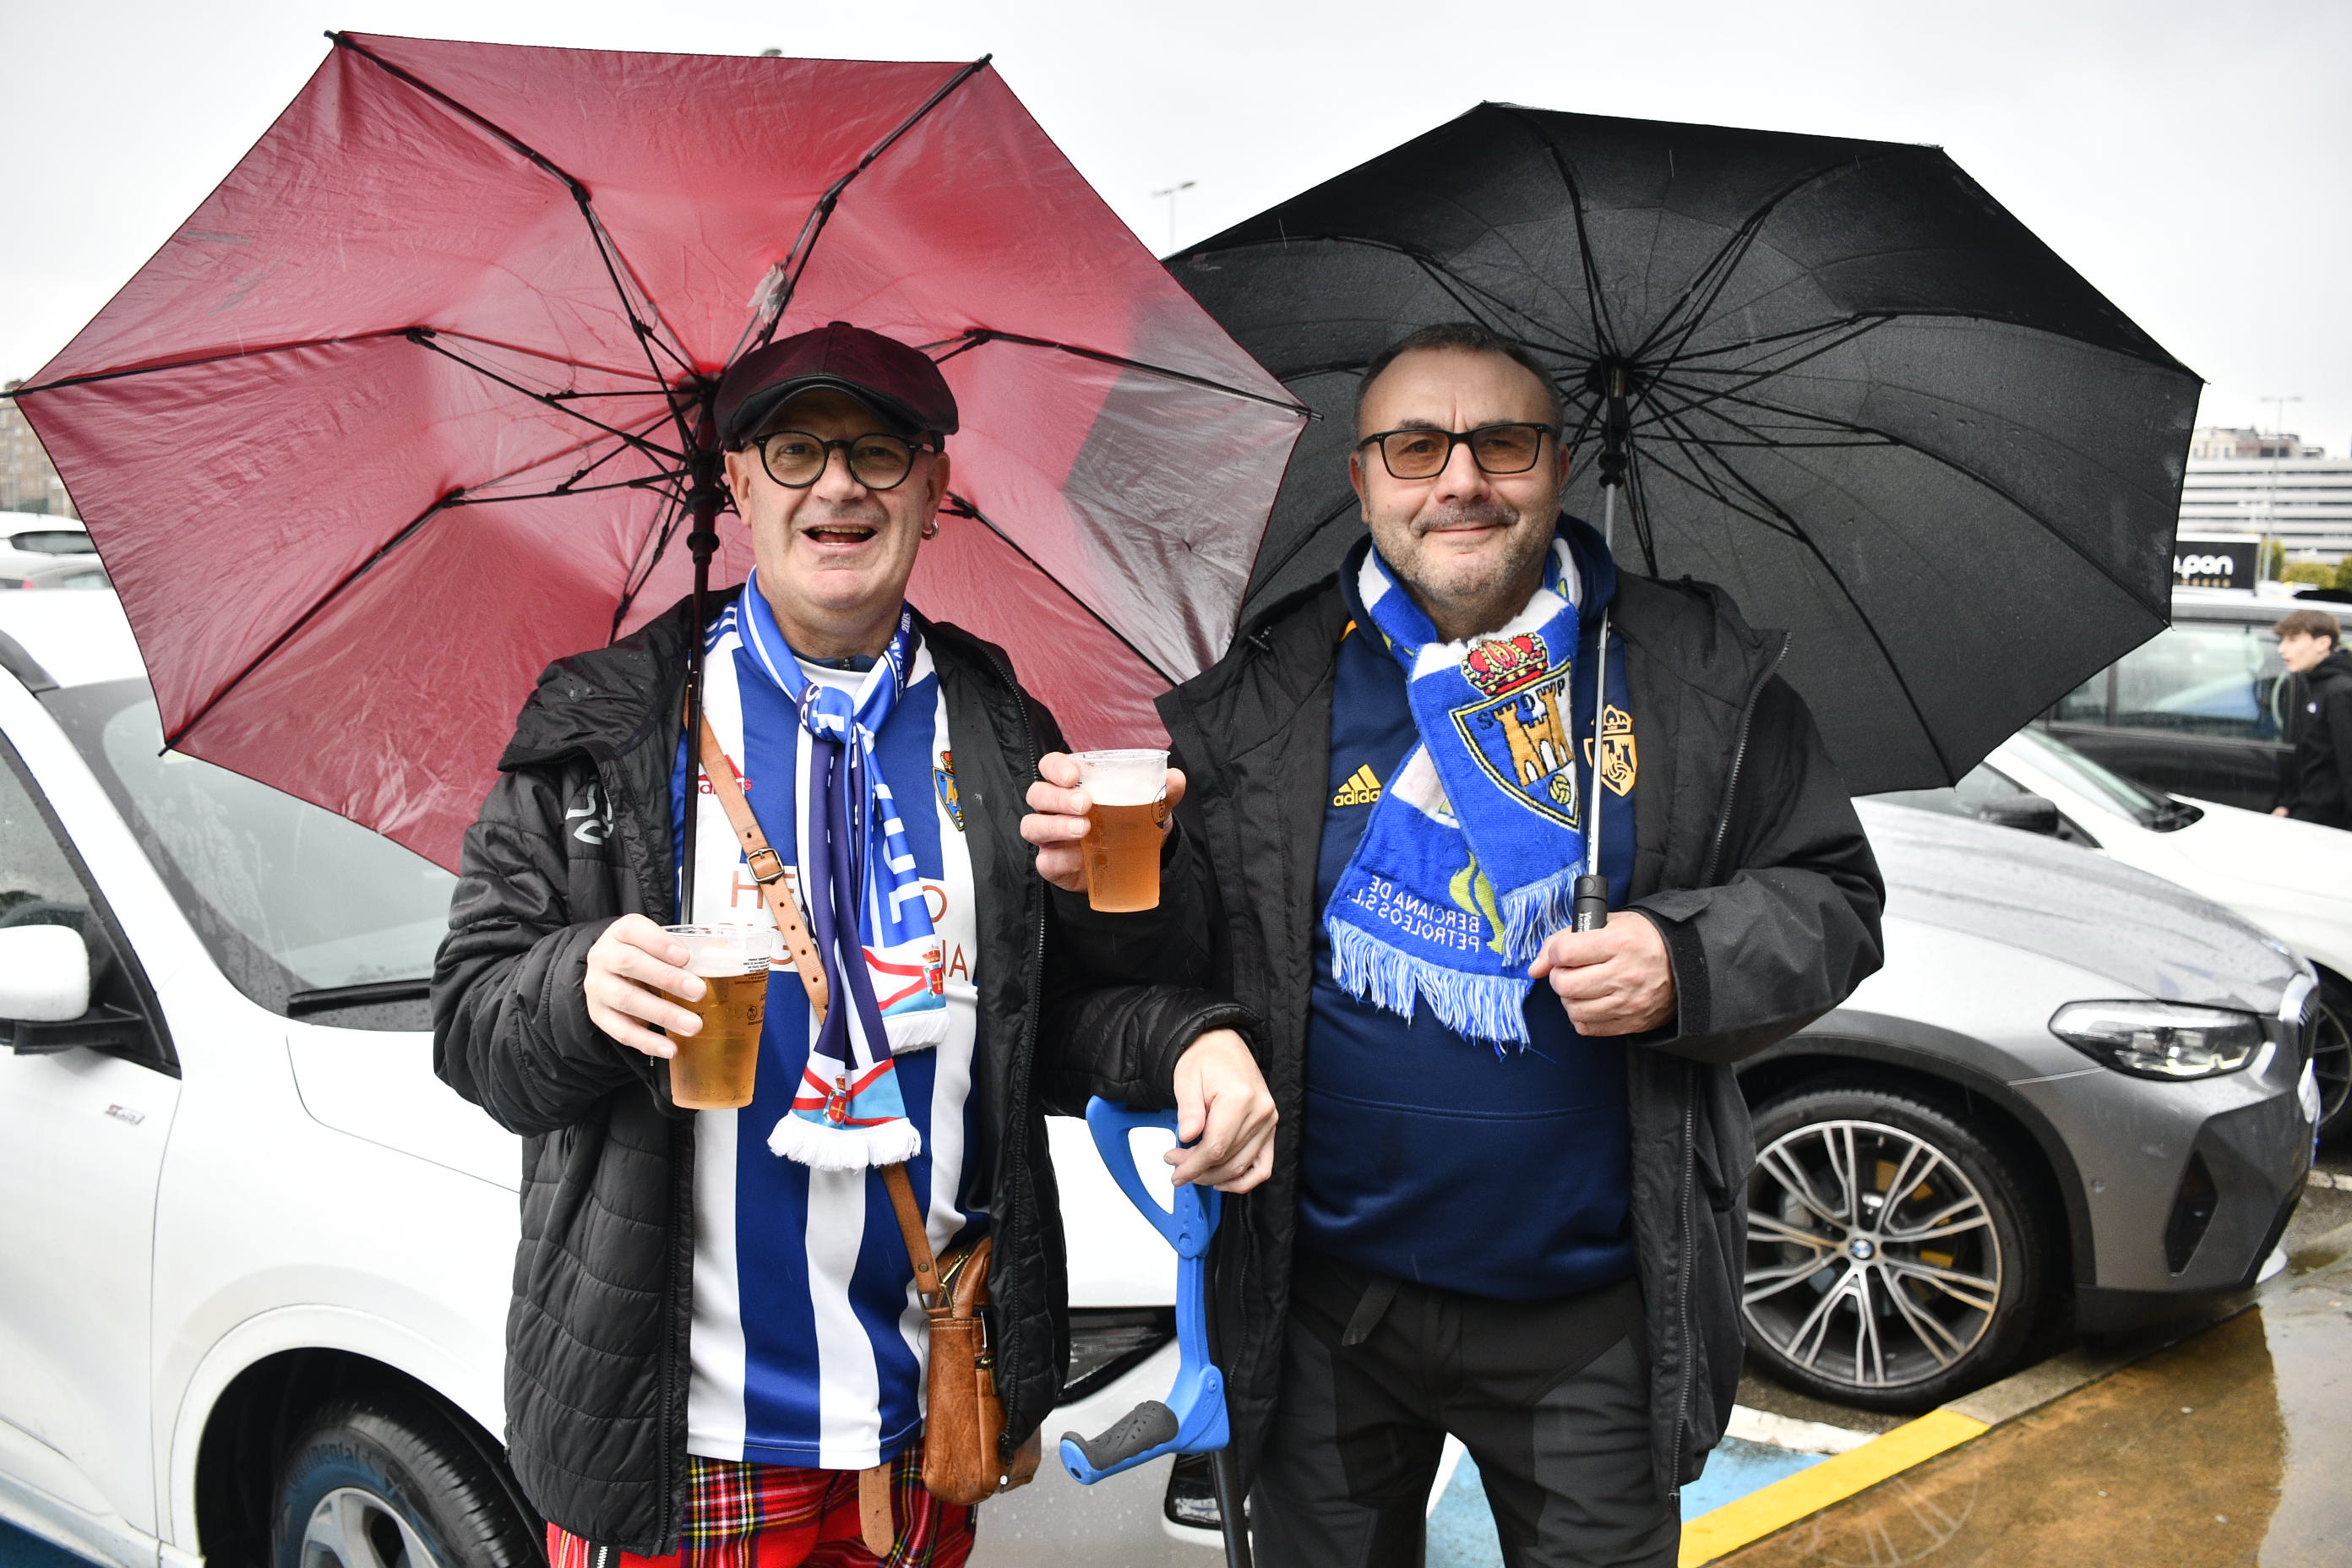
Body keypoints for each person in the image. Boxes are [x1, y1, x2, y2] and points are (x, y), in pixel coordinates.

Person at [1024, 321, 1885, 1565]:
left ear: (1561, 463)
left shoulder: (1692, 672)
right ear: (1364, 479)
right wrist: (1122, 889)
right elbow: (1145, 984)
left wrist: (1682, 958)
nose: (1462, 479)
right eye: (1417, 447)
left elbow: (1833, 901)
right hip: (1324, 1310)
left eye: (1504, 443)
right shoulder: (1260, 698)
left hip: (1592, 1319)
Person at [433, 320, 1272, 1567]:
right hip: (689, 1436)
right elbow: (473, 1025)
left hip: (928, 1398)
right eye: (793, 451)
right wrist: (578, 983)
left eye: (878, 455)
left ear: (934, 492)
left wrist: (1197, 1038)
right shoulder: (609, 726)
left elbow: (1044, 1024)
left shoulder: (996, 722)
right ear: (739, 487)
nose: (837, 486)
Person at [2270, 606, 2352, 830]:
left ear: (2322, 643)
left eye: (2293, 640)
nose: (2282, 649)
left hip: (2328, 820)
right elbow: (2309, 754)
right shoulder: (2315, 683)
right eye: (2282, 640)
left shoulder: (2340, 691)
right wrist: (2288, 803)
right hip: (2308, 809)